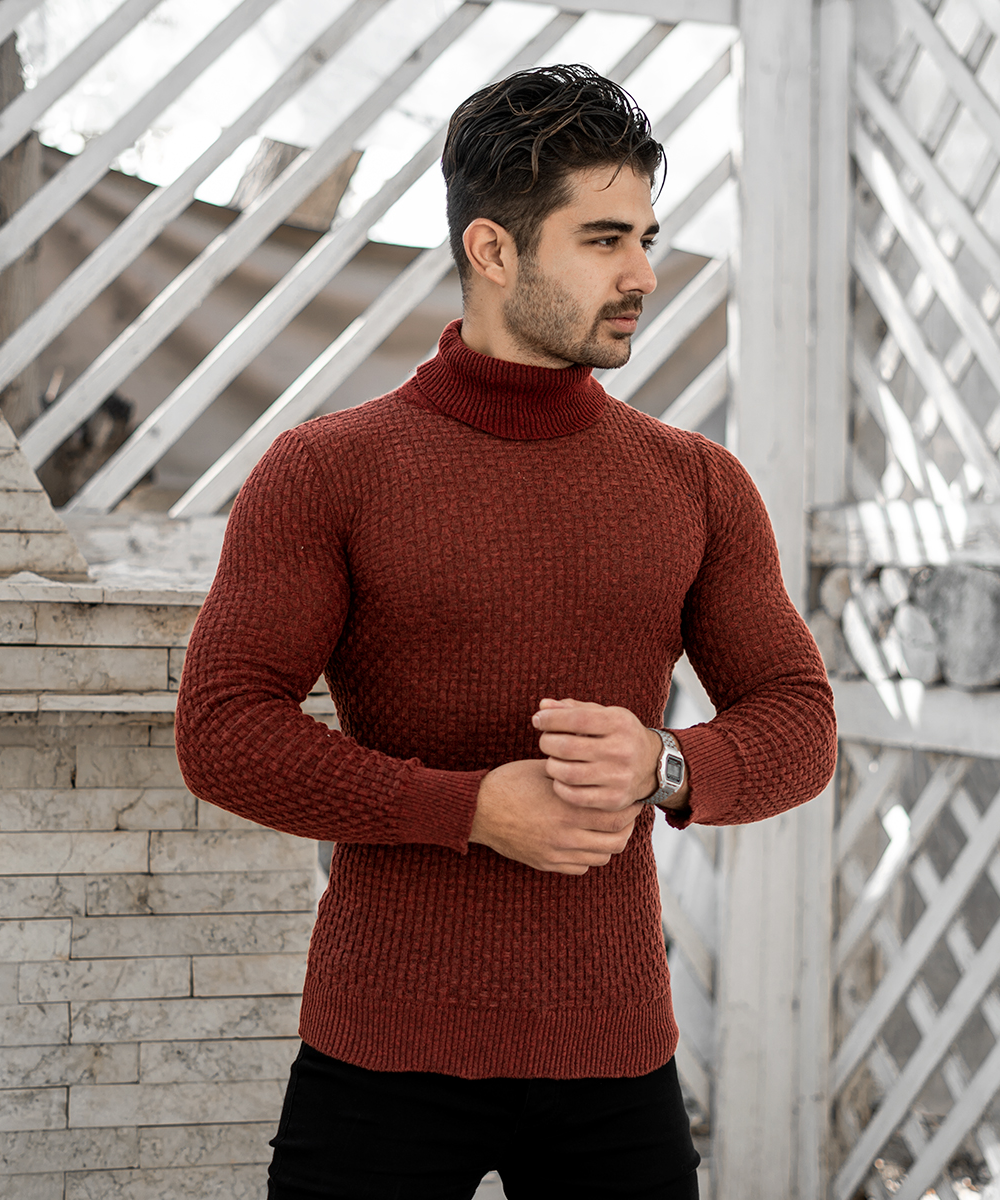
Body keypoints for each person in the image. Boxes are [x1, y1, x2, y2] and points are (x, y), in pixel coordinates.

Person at [175, 64, 836, 1200]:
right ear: (492, 249)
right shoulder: (327, 469)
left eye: (646, 238)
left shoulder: (696, 483)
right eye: (604, 240)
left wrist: (668, 763)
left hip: (612, 1050)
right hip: (382, 1048)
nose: (644, 273)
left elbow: (801, 721)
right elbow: (223, 730)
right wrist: (471, 810)